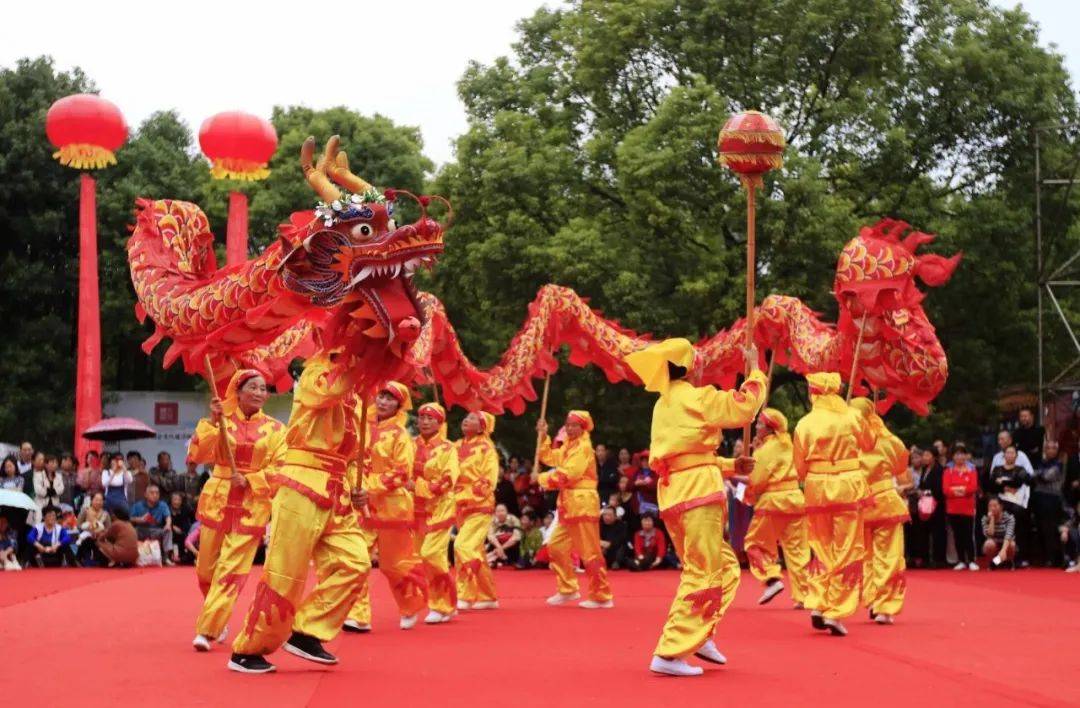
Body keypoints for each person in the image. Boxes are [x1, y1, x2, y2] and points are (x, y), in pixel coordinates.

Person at [624, 337, 766, 676]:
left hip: (676, 491)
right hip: (697, 491)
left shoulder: (664, 404)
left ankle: (700, 633)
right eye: (697, 359)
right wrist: (756, 371)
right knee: (703, 570)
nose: (702, 363)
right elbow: (744, 407)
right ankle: (670, 652)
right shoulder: (699, 397)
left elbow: (687, 453)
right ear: (686, 366)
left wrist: (731, 466)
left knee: (725, 566)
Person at [229, 351, 371, 674]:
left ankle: (307, 631)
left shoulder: (358, 396)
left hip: (337, 492)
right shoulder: (315, 372)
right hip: (302, 483)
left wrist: (358, 487)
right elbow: (326, 393)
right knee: (285, 574)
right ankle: (248, 650)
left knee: (356, 562)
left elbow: (353, 455)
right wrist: (362, 366)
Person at [187, 369, 286, 650]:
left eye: (263, 388)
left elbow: (282, 468)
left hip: (251, 505)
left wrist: (252, 479)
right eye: (252, 387)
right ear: (237, 391)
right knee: (206, 571)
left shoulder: (278, 430)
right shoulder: (220, 421)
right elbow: (197, 455)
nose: (259, 392)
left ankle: (207, 630)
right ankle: (217, 616)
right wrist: (212, 421)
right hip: (218, 500)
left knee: (231, 571)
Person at [792, 373, 874, 637]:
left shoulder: (805, 423)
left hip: (817, 486)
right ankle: (835, 610)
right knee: (848, 548)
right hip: (848, 485)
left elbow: (799, 466)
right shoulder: (851, 416)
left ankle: (818, 600)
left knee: (821, 546)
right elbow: (870, 443)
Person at [346, 382, 428, 632]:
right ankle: (358, 615)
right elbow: (351, 458)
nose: (383, 402)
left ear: (398, 406)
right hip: (362, 503)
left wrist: (370, 487)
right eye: (381, 396)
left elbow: (402, 473)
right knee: (356, 558)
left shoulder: (401, 435)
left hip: (393, 507)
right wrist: (353, 485)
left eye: (390, 399)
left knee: (394, 565)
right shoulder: (362, 427)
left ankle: (410, 605)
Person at [535, 410, 614, 608]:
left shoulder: (584, 448)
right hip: (568, 505)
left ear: (583, 427)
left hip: (583, 503)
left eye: (574, 425)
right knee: (556, 546)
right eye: (568, 425)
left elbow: (568, 475)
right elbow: (549, 458)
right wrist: (543, 436)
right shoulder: (569, 446)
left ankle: (602, 595)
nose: (570, 428)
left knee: (589, 552)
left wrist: (541, 479)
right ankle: (568, 588)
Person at [849, 398, 912, 625]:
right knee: (889, 555)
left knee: (868, 557)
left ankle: (875, 600)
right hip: (885, 502)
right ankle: (884, 605)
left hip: (861, 505)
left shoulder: (849, 442)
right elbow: (901, 465)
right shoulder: (887, 440)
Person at [742, 408, 810, 608]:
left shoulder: (767, 449)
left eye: (760, 424)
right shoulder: (790, 445)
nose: (756, 426)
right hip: (796, 499)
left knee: (754, 544)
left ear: (770, 429)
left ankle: (771, 578)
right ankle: (804, 594)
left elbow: (757, 480)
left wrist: (755, 454)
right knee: (797, 550)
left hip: (773, 501)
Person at [409, 402, 460, 625]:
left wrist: (418, 486)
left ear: (440, 423)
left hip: (440, 507)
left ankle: (443, 604)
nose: (425, 421)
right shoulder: (410, 445)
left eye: (431, 418)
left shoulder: (448, 448)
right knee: (426, 558)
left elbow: (448, 480)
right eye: (422, 417)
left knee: (431, 554)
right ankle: (445, 601)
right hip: (416, 509)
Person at [454, 411, 500, 611]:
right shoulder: (455, 445)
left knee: (463, 546)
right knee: (475, 549)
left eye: (473, 419)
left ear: (482, 427)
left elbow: (489, 479)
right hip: (459, 505)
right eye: (466, 416)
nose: (466, 419)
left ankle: (465, 594)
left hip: (479, 504)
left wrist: (466, 493)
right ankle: (488, 596)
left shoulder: (487, 448)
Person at [942, 443, 979, 571]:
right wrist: (960, 489)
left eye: (962, 454)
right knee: (957, 535)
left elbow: (972, 488)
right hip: (953, 507)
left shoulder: (972, 470)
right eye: (957, 454)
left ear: (966, 456)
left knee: (968, 534)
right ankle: (961, 560)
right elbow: (946, 489)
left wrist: (958, 489)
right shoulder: (948, 471)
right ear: (953, 456)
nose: (960, 457)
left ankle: (972, 560)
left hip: (968, 508)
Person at [1032, 439, 1065, 567]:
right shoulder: (1042, 462)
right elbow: (1032, 475)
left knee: (1049, 530)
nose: (1050, 450)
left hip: (1052, 500)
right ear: (1045, 450)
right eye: (1048, 448)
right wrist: (1039, 475)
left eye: (1053, 448)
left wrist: (1038, 474)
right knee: (1040, 528)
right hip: (1039, 499)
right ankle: (1043, 557)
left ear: (1056, 451)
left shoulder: (1059, 464)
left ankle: (1052, 558)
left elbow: (1047, 476)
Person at [917, 447, 948, 568]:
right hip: (925, 505)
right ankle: (925, 559)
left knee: (937, 532)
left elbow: (939, 489)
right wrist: (920, 491)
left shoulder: (939, 470)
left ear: (934, 457)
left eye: (927, 455)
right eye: (924, 455)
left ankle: (938, 559)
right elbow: (921, 484)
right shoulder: (925, 469)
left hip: (937, 505)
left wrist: (925, 492)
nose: (925, 458)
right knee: (924, 531)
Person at [130, 484, 173, 564]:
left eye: (157, 493)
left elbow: (168, 517)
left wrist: (168, 524)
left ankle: (166, 557)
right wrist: (139, 519)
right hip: (141, 529)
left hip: (156, 530)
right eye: (152, 493)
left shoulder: (163, 505)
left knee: (168, 531)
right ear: (146, 495)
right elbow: (130, 518)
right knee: (130, 532)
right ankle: (132, 557)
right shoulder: (138, 505)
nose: (155, 495)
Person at [75, 492, 110, 565]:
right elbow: (78, 524)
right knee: (86, 540)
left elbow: (108, 529)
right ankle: (78, 559)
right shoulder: (85, 511)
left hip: (100, 538)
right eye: (96, 500)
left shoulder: (105, 514)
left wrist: (100, 533)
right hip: (87, 536)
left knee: (104, 562)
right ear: (92, 500)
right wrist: (88, 528)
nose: (98, 502)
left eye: (101, 500)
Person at [981, 497, 1017, 568]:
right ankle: (994, 562)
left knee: (1012, 544)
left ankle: (1008, 562)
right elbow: (989, 535)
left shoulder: (1009, 518)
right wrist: (992, 519)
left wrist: (1003, 550)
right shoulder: (985, 519)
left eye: (995, 506)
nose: (992, 508)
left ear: (1001, 507)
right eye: (990, 506)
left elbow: (1009, 535)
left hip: (1006, 543)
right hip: (994, 543)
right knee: (988, 544)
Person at [32, 455, 64, 522]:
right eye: (52, 462)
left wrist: (52, 491)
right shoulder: (38, 475)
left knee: (55, 524)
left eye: (56, 463)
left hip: (54, 505)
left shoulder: (59, 476)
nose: (54, 464)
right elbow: (38, 490)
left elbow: (61, 489)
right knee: (40, 524)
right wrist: (50, 492)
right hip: (41, 504)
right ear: (46, 464)